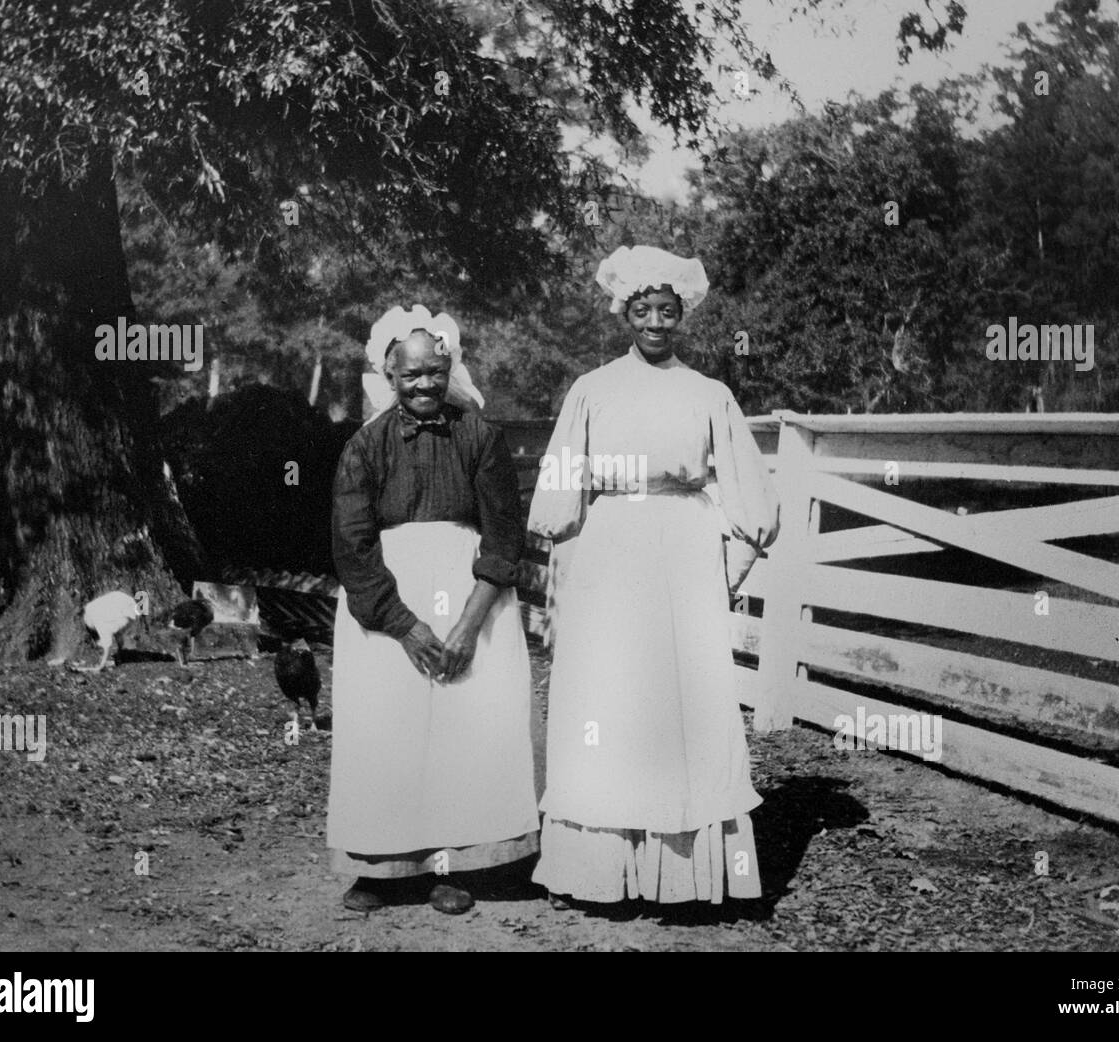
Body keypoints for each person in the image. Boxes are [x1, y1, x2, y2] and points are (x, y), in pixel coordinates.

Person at [529, 245, 780, 906]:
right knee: (607, 700)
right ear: (626, 314)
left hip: (685, 549)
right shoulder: (593, 389)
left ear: (683, 317)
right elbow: (560, 485)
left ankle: (689, 875)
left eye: (668, 311)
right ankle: (594, 870)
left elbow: (751, 497)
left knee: (685, 703)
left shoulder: (708, 395)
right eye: (645, 310)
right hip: (611, 546)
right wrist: (562, 549)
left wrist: (725, 567)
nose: (658, 322)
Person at [327, 305, 539, 915]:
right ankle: (381, 867)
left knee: (460, 730)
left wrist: (468, 625)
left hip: (471, 598)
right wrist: (405, 624)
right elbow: (352, 545)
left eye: (434, 372)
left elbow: (503, 537)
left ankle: (452, 864)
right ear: (388, 376)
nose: (424, 385)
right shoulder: (363, 447)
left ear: (450, 368)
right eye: (410, 375)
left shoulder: (481, 438)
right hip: (386, 606)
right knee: (386, 730)